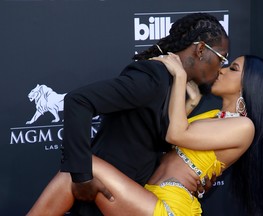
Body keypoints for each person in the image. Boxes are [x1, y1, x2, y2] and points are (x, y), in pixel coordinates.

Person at [27, 53, 263, 216]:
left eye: (233, 68)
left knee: (82, 165)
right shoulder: (212, 114)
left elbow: (176, 134)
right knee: (77, 169)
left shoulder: (245, 127)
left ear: (250, 86)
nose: (222, 70)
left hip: (168, 208)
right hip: (148, 195)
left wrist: (179, 75)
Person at [52, 12, 228, 215]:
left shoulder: (179, 86)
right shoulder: (153, 78)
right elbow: (78, 101)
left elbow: (155, 140)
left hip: (128, 196)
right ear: (200, 50)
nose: (221, 67)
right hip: (103, 194)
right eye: (222, 57)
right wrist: (82, 178)